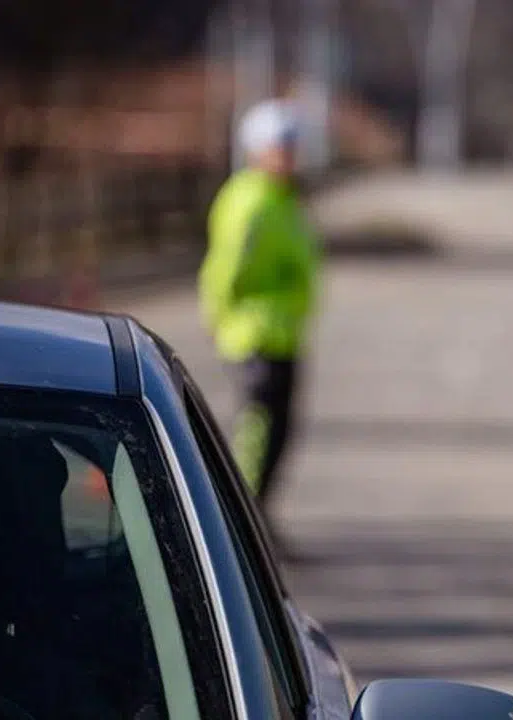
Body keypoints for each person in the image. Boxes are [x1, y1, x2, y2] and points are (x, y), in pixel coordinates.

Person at [198, 99, 322, 550]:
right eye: (282, 146)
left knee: (280, 433)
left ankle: (259, 519)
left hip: (284, 331)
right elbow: (225, 269)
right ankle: (241, 529)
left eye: (294, 146)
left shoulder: (283, 198)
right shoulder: (250, 203)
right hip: (254, 335)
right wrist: (219, 317)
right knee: (257, 433)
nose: (290, 155)